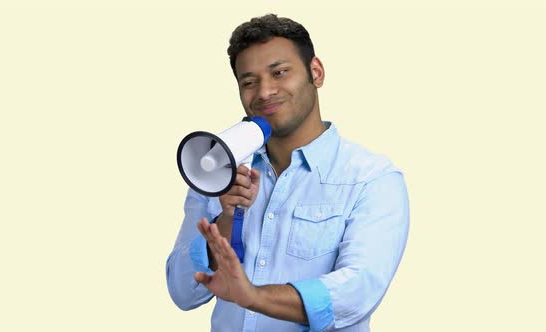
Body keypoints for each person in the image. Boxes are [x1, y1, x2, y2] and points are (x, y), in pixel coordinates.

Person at [166, 13, 410, 332]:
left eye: (279, 72)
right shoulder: (217, 174)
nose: (265, 92)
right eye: (249, 81)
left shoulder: (372, 179)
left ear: (316, 72)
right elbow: (182, 293)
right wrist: (226, 221)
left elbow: (357, 292)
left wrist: (254, 297)